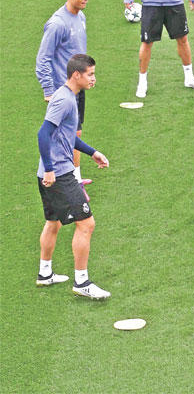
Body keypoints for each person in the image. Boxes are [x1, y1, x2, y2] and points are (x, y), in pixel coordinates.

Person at [36, 54, 111, 299]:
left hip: (49, 172)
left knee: (53, 222)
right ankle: (82, 282)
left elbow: (67, 136)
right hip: (58, 174)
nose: (94, 79)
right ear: (76, 75)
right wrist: (50, 169)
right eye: (90, 74)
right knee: (86, 224)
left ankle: (45, 273)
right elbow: (43, 133)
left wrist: (92, 152)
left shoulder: (70, 96)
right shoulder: (65, 100)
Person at [35, 0, 91, 187]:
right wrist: (48, 90)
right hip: (63, 88)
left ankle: (76, 178)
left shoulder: (81, 16)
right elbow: (43, 59)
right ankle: (55, 175)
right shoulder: (57, 24)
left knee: (75, 132)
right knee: (59, 134)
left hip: (78, 86)